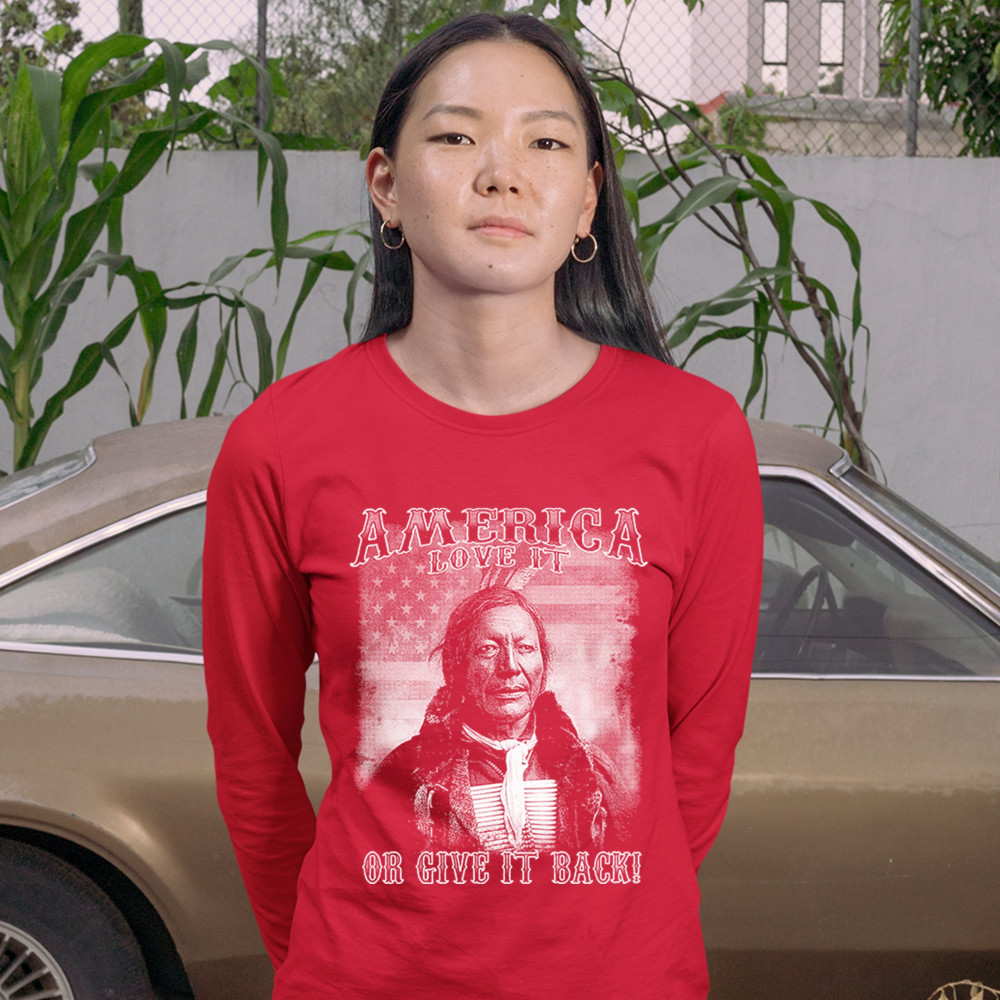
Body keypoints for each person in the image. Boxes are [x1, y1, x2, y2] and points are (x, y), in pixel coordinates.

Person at [203, 11, 762, 1000]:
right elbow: (252, 756)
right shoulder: (280, 445)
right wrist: (335, 961)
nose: (502, 174)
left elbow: (698, 755)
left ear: (587, 200)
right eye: (457, 136)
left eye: (545, 143)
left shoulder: (697, 437)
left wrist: (601, 939)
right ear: (386, 185)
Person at [371, 586, 628, 854]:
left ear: (542, 664)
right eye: (488, 649)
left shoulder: (592, 770)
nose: (511, 667)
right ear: (457, 666)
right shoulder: (406, 774)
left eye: (525, 648)